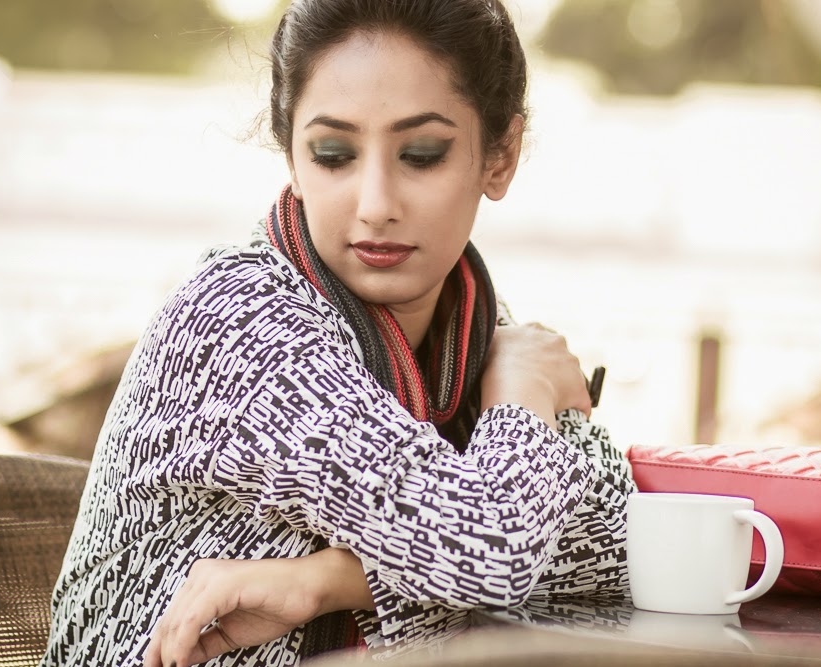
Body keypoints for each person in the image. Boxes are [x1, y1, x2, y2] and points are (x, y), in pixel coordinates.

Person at [41, 1, 636, 665]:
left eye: (421, 153)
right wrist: (524, 387)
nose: (376, 204)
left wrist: (328, 582)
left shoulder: (471, 331)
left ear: (499, 157)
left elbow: (621, 545)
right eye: (333, 154)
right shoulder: (243, 322)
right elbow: (493, 550)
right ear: (293, 156)